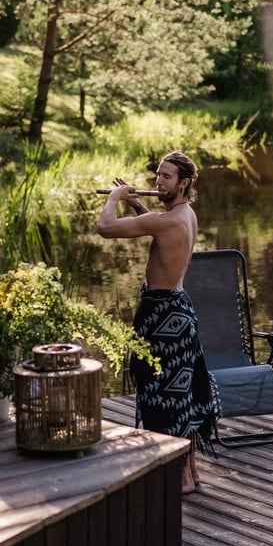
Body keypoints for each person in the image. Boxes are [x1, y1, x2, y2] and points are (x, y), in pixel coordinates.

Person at [96, 150, 219, 494]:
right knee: (181, 396)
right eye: (157, 175)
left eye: (166, 177)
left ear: (184, 183)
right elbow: (160, 230)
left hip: (163, 315)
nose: (158, 181)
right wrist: (137, 206)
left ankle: (178, 478)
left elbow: (105, 228)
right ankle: (190, 474)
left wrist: (115, 198)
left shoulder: (167, 220)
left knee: (163, 398)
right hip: (179, 311)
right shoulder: (185, 215)